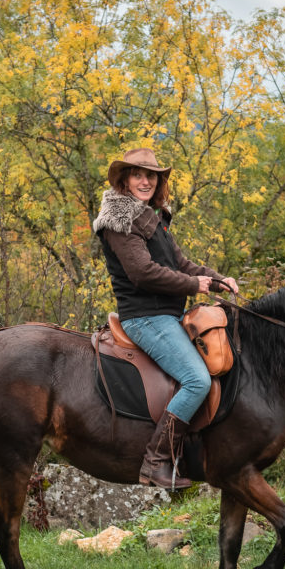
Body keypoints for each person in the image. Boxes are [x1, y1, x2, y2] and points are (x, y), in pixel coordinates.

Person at [93, 148, 239, 490]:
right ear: (124, 180)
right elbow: (142, 273)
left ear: (158, 181)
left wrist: (217, 279)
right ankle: (155, 462)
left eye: (151, 175)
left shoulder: (152, 218)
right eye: (137, 174)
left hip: (168, 316)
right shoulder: (120, 221)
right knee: (197, 380)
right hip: (145, 319)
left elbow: (182, 265)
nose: (145, 181)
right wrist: (194, 285)